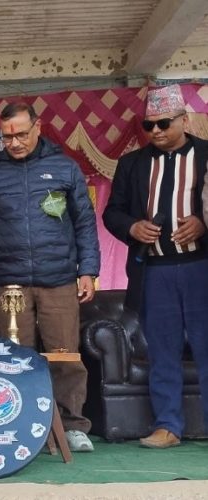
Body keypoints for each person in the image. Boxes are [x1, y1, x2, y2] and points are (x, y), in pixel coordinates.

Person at [0, 102, 100, 452]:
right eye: (6, 136)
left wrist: (88, 270)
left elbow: (85, 223)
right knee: (14, 360)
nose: (14, 142)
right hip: (9, 284)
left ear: (38, 127)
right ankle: (24, 425)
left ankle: (72, 426)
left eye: (21, 134)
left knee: (65, 356)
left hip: (59, 278)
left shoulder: (64, 167)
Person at [104, 84, 208, 449]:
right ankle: (168, 426)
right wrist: (132, 227)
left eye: (164, 123)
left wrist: (203, 224)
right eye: (149, 125)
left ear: (184, 120)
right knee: (162, 350)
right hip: (155, 270)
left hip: (200, 266)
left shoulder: (206, 154)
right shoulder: (132, 163)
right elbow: (112, 212)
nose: (156, 131)